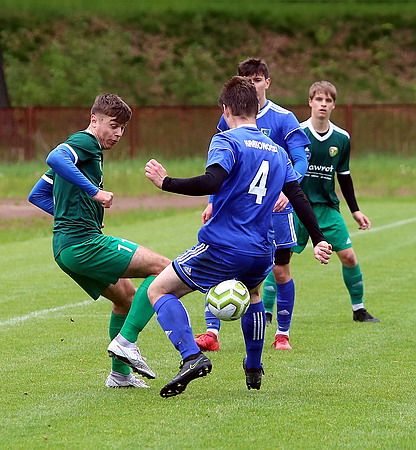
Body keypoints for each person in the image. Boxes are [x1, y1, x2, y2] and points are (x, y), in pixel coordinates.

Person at [111, 76, 331, 398]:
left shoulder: (226, 140)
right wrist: (318, 237)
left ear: (226, 109)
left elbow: (212, 181)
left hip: (223, 246)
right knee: (253, 294)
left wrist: (166, 182)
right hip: (261, 250)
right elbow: (297, 194)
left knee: (159, 289)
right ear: (255, 108)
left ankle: (191, 356)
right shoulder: (276, 150)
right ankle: (253, 366)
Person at [28, 93, 171, 388]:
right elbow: (55, 157)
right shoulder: (85, 142)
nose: (118, 134)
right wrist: (94, 193)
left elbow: (37, 194)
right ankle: (126, 342)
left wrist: (77, 213)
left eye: (123, 129)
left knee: (125, 298)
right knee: (164, 269)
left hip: (67, 248)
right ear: (94, 120)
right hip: (83, 244)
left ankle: (120, 375)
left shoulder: (86, 152)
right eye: (113, 126)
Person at [195, 58, 311, 352]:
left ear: (267, 82)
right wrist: (212, 201)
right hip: (238, 209)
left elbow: (300, 160)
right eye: (246, 80)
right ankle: (211, 332)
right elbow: (222, 167)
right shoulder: (229, 119)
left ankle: (282, 333)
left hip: (276, 208)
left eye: (257, 80)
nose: (252, 85)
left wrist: (288, 189)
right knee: (219, 263)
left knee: (280, 271)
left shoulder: (284, 118)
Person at [293, 81, 379, 322]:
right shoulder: (297, 133)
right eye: (319, 99)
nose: (323, 104)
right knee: (281, 259)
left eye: (328, 100)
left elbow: (344, 176)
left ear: (333, 105)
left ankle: (359, 310)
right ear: (310, 102)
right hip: (297, 206)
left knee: (349, 256)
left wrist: (355, 211)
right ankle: (267, 312)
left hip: (327, 208)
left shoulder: (341, 138)